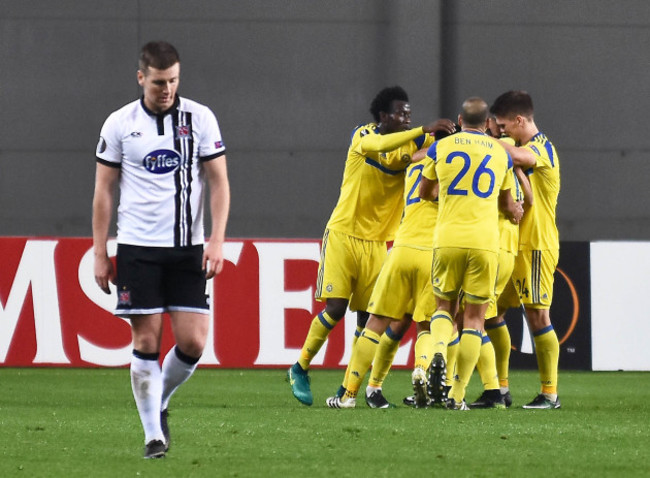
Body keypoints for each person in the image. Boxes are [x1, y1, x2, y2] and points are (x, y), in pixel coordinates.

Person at [92, 41, 230, 458]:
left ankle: (158, 401)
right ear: (141, 78)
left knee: (193, 342)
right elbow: (104, 189)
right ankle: (153, 433)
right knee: (147, 340)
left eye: (172, 80)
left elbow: (219, 181)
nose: (166, 89)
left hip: (187, 247)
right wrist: (100, 251)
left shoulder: (200, 118)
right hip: (137, 247)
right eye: (158, 82)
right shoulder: (119, 123)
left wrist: (218, 238)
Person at [287, 86, 456, 406]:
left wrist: (456, 132)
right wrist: (422, 131)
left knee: (369, 319)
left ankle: (352, 389)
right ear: (383, 116)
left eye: (409, 114)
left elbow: (446, 150)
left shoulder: (415, 142)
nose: (407, 119)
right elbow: (378, 144)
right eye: (400, 114)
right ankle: (300, 367)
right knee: (336, 308)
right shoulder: (363, 135)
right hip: (343, 233)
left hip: (378, 243)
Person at [419, 97, 522, 410]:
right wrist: (513, 207)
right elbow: (507, 204)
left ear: (461, 121)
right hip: (485, 243)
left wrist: (448, 196)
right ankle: (457, 394)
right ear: (487, 122)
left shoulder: (441, 148)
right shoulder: (500, 154)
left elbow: (425, 192)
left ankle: (438, 350)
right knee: (475, 320)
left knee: (443, 308)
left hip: (448, 238)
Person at [325, 159, 440, 409]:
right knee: (428, 327)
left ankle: (349, 394)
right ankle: (420, 368)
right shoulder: (456, 162)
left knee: (375, 323)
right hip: (433, 254)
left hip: (401, 249)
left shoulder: (416, 160)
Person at [490, 90, 562, 409]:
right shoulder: (517, 147)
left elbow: (522, 159)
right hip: (511, 245)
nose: (502, 130)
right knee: (491, 310)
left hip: (536, 243)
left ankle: (550, 394)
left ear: (520, 120)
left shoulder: (541, 147)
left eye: (504, 125)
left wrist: (478, 139)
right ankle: (500, 389)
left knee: (537, 315)